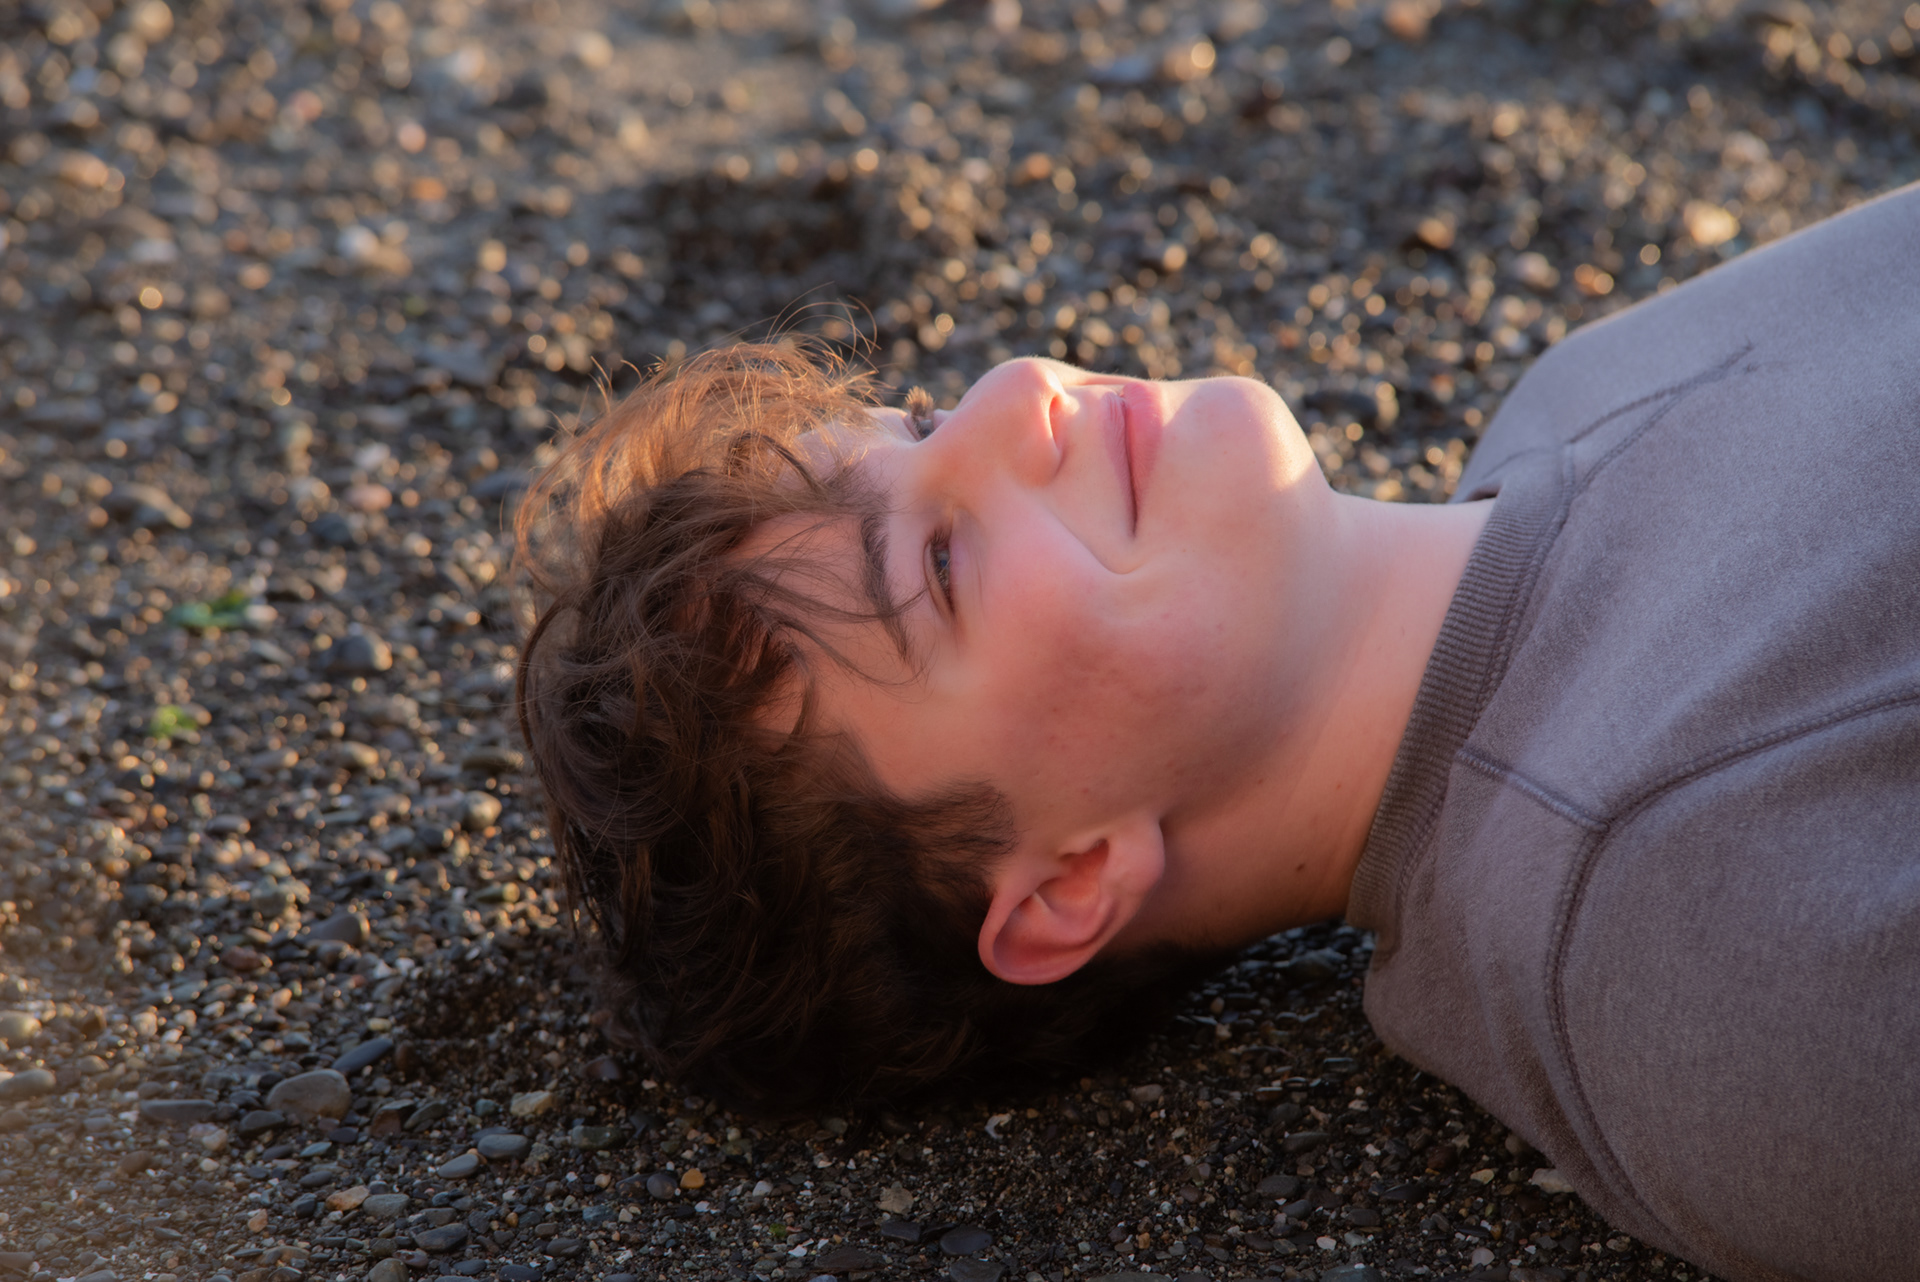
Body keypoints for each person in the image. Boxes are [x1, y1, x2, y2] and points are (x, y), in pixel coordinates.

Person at [515, 181, 1920, 1282]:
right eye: (940, 566)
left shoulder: (1577, 393)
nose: (1015, 390)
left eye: (924, 419)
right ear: (1072, 881)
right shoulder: (1688, 946)